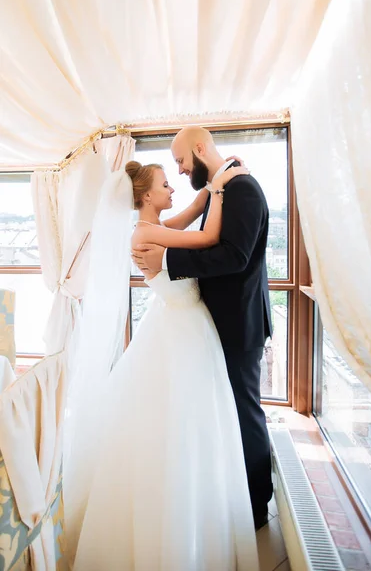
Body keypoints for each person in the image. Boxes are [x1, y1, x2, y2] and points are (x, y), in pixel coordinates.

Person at [64, 160, 259, 570]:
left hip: (183, 320)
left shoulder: (157, 224)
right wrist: (221, 191)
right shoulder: (146, 231)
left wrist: (212, 182)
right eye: (166, 185)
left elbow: (189, 216)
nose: (173, 190)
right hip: (182, 325)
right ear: (147, 196)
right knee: (182, 417)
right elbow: (207, 236)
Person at [132, 126, 273, 530]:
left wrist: (169, 263)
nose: (178, 171)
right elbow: (201, 227)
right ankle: (222, 489)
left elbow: (234, 256)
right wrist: (216, 185)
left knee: (244, 411)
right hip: (207, 324)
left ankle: (255, 505)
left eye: (179, 161)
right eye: (170, 171)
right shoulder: (225, 187)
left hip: (237, 323)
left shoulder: (241, 189)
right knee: (218, 410)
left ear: (198, 148)